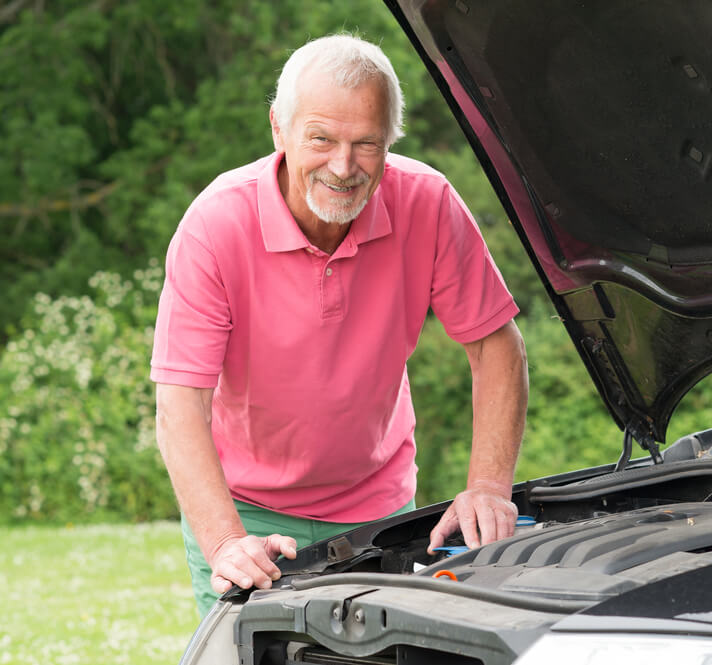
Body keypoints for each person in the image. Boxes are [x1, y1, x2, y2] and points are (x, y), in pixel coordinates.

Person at [151, 33, 528, 616]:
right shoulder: (214, 224)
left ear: (390, 141)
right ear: (279, 127)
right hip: (244, 508)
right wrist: (226, 540)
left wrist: (487, 485)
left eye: (366, 144)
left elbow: (496, 346)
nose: (344, 166)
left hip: (378, 505)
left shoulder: (427, 202)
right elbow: (180, 404)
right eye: (321, 139)